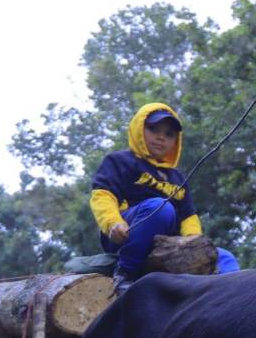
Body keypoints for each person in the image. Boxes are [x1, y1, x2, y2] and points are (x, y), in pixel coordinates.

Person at [90, 102, 239, 294]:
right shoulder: (120, 161)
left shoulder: (176, 177)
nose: (161, 137)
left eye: (169, 134)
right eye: (154, 129)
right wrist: (112, 223)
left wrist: (194, 244)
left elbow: (188, 216)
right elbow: (103, 195)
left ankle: (227, 295)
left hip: (166, 245)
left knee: (223, 257)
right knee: (161, 208)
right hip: (126, 233)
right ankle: (125, 273)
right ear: (139, 127)